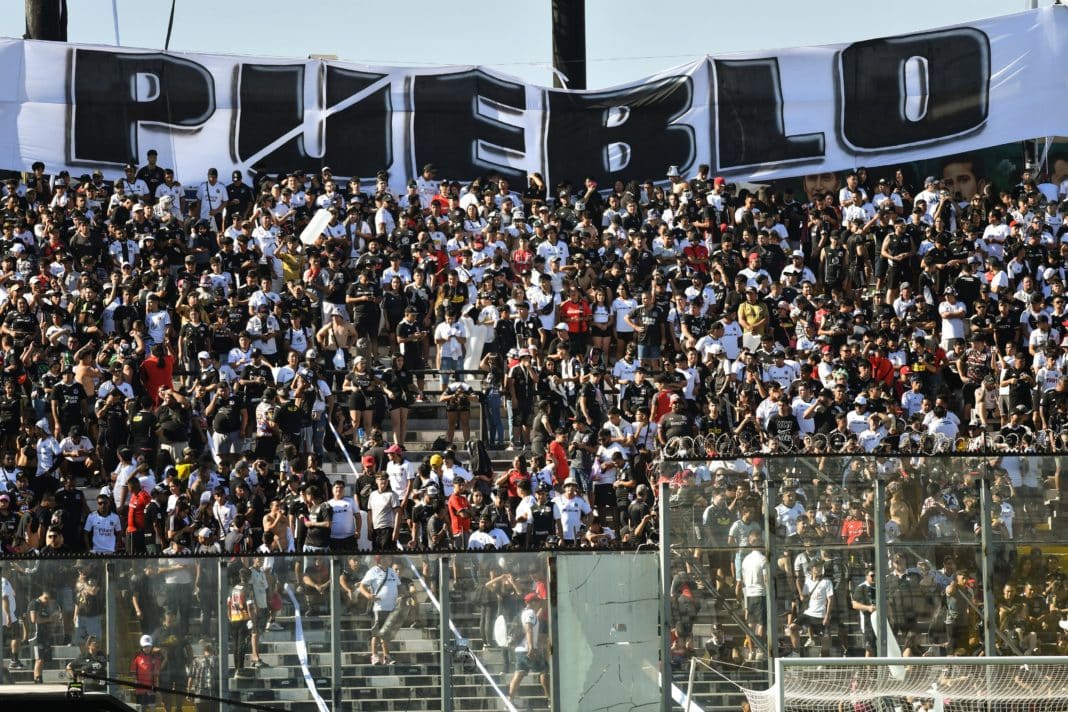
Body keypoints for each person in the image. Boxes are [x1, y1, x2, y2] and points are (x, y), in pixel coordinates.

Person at [358, 557, 402, 665]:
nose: (388, 560)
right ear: (379, 560)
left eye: (388, 558)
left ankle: (387, 656)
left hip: (391, 608)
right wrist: (368, 595)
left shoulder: (392, 571)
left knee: (386, 634)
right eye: (385, 558)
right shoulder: (373, 571)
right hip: (379, 608)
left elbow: (399, 586)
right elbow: (361, 586)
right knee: (376, 634)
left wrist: (404, 595)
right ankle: (374, 656)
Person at [507, 593, 550, 705]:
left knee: (518, 674)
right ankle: (550, 698)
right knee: (544, 671)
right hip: (528, 649)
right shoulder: (530, 613)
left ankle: (510, 702)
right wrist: (531, 647)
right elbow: (529, 629)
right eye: (537, 601)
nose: (539, 604)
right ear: (532, 603)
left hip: (520, 650)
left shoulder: (522, 613)